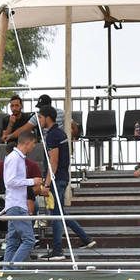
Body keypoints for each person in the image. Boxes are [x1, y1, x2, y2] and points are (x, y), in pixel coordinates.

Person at [38, 106, 95, 261]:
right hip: (62, 178)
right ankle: (86, 238)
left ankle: (58, 250)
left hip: (56, 179)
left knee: (56, 215)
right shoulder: (60, 133)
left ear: (47, 117)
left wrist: (47, 184)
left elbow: (53, 162)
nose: (39, 120)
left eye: (40, 117)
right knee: (60, 212)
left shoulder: (52, 136)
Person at [2, 132, 44, 267]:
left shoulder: (14, 157)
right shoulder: (15, 158)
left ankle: (6, 270)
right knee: (29, 240)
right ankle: (13, 268)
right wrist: (32, 181)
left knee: (13, 241)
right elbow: (10, 181)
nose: (34, 146)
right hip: (17, 205)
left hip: (14, 204)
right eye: (33, 143)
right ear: (27, 142)